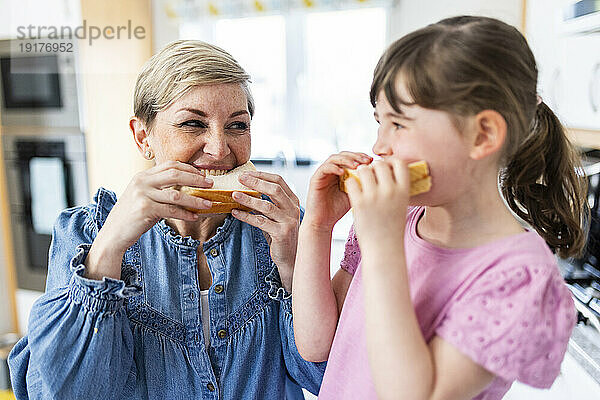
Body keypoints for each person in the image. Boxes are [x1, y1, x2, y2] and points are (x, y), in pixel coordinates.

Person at [9, 40, 325, 399]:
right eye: (193, 123)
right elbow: (62, 393)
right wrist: (107, 250)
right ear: (144, 137)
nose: (219, 149)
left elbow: (325, 378)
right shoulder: (85, 233)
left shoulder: (281, 227)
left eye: (237, 126)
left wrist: (292, 265)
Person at [292, 16, 587, 400]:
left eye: (399, 124)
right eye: (379, 122)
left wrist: (383, 246)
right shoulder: (391, 223)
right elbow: (316, 345)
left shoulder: (520, 277)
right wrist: (317, 226)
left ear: (482, 135)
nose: (380, 146)